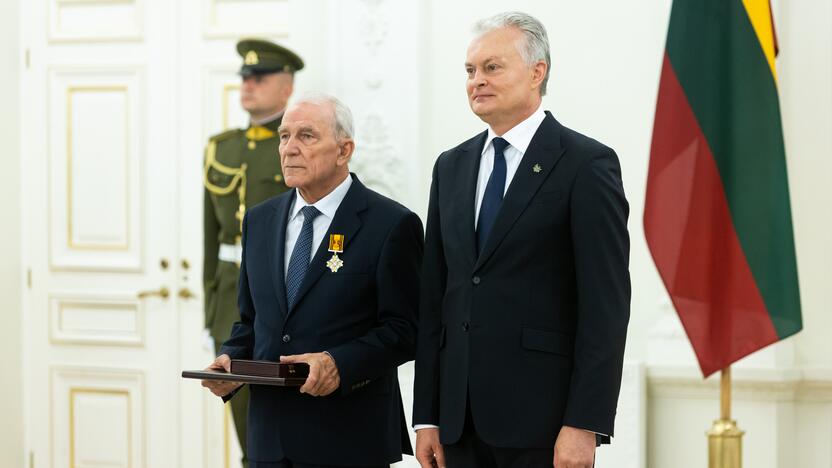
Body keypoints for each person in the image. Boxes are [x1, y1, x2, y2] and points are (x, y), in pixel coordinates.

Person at [413, 11, 630, 468]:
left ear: (537, 72)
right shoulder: (450, 167)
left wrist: (585, 422)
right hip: (458, 423)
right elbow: (436, 298)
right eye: (470, 71)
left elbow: (605, 308)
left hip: (544, 426)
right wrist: (427, 416)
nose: (477, 81)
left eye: (492, 67)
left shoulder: (585, 164)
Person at [202, 93, 423, 468]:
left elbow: (406, 329)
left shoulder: (390, 225)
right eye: (284, 136)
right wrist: (231, 361)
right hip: (269, 441)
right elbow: (251, 322)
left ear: (344, 150)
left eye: (306, 136)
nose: (289, 149)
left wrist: (338, 363)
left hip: (348, 439)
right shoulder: (259, 221)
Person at [203, 38, 303, 466]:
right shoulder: (221, 147)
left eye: (260, 78)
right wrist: (212, 302)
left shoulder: (300, 145)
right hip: (231, 298)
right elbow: (211, 234)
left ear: (287, 86)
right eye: (245, 77)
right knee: (246, 423)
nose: (248, 85)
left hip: (282, 297)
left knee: (288, 427)